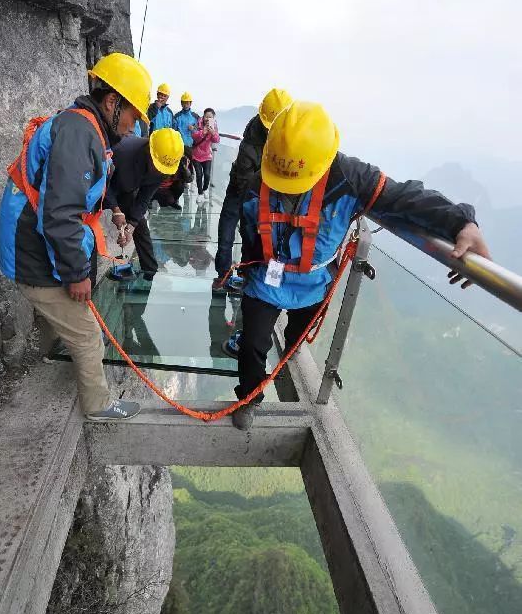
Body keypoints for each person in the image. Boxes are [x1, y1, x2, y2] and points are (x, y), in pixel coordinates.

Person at [232, 101, 492, 431]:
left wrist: (460, 223)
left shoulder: (350, 178)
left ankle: (288, 353)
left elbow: (404, 198)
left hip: (313, 283)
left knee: (295, 338)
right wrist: (249, 265)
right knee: (252, 344)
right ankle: (249, 397)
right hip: (266, 279)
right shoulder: (260, 181)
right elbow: (250, 230)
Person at [0, 52, 152, 422]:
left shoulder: (85, 127)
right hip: (30, 249)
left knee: (64, 314)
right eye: (133, 116)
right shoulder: (81, 134)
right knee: (86, 334)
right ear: (113, 102)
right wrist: (75, 275)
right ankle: (98, 406)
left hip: (27, 242)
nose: (133, 127)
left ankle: (51, 354)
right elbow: (60, 216)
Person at [212, 88, 293, 294]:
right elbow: (245, 182)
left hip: (267, 191)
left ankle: (247, 274)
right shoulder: (252, 142)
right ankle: (225, 273)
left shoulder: (287, 132)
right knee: (236, 226)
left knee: (256, 233)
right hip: (243, 187)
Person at [106, 128, 184, 284]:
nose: (158, 171)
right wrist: (115, 209)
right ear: (149, 149)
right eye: (156, 165)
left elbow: (144, 197)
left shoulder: (164, 164)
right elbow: (100, 182)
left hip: (128, 188)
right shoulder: (121, 151)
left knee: (139, 223)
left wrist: (131, 226)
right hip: (105, 184)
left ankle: (149, 271)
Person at [191, 108, 220, 204]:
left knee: (207, 174)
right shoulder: (197, 124)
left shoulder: (214, 127)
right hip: (196, 154)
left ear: (213, 118)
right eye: (206, 116)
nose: (208, 119)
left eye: (210, 117)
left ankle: (205, 189)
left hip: (207, 155)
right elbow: (194, 136)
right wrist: (202, 132)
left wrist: (213, 133)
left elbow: (216, 140)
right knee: (199, 174)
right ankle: (199, 194)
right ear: (203, 116)